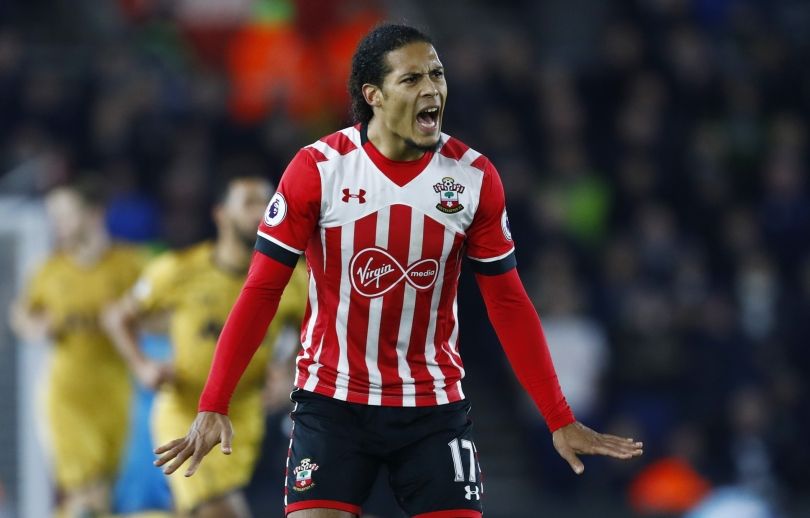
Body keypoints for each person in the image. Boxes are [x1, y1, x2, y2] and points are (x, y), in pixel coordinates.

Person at [154, 24, 644, 518]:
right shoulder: (318, 169)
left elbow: (508, 301)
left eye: (437, 75)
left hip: (432, 406)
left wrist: (558, 416)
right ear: (374, 96)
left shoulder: (473, 178)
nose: (431, 89)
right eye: (412, 79)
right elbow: (261, 290)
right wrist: (214, 401)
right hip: (332, 401)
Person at [103, 176, 308, 517]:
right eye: (249, 203)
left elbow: (314, 332)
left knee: (199, 509)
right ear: (221, 214)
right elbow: (117, 317)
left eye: (267, 203)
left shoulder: (294, 278)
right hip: (186, 409)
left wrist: (289, 373)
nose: (261, 212)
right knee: (219, 509)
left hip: (246, 415)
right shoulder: (179, 269)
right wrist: (142, 366)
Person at [10, 179, 143, 517]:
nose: (57, 224)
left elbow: (160, 314)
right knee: (85, 488)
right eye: (53, 216)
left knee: (101, 490)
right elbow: (21, 315)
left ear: (94, 214)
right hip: (67, 394)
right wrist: (34, 326)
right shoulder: (50, 270)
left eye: (65, 215)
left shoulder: (129, 265)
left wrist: (127, 318)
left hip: (114, 391)